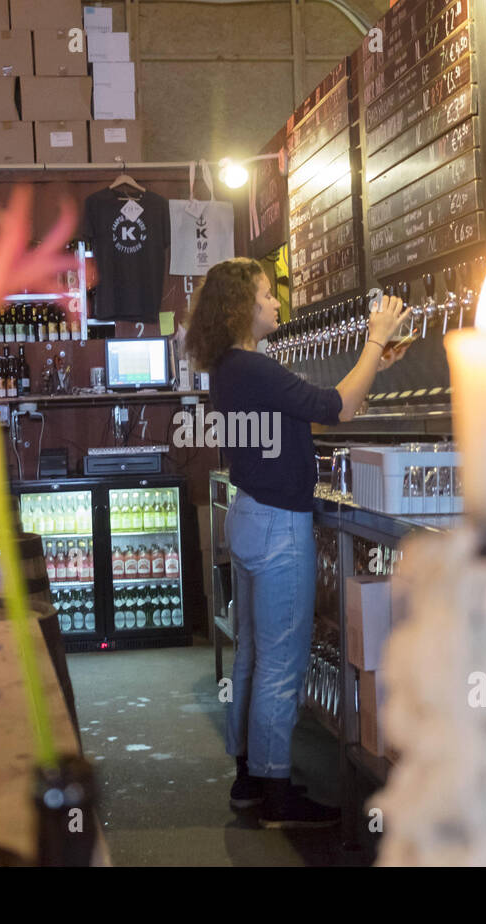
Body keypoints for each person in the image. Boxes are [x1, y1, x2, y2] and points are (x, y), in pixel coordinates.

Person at [185, 258, 409, 828]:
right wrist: (373, 339)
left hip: (249, 518)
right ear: (243, 307)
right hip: (279, 525)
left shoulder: (231, 368)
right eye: (267, 295)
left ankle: (249, 778)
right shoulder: (253, 367)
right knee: (282, 664)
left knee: (253, 657)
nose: (277, 304)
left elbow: (306, 415)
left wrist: (372, 362)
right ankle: (276, 791)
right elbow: (338, 409)